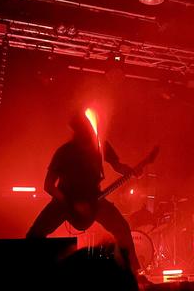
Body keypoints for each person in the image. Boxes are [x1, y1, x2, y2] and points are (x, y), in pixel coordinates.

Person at [26, 110, 141, 275]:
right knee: (34, 235)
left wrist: (131, 171)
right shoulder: (65, 152)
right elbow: (48, 185)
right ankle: (30, 274)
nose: (89, 132)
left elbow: (117, 165)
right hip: (65, 201)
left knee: (122, 228)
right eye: (84, 129)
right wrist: (71, 204)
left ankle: (135, 275)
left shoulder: (100, 145)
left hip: (95, 199)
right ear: (77, 132)